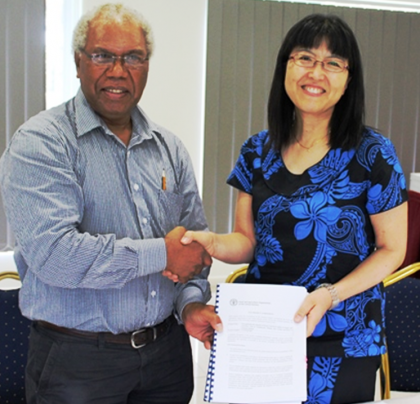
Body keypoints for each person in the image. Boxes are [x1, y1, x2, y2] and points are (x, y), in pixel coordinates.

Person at [181, 13, 408, 404]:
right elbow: (247, 241)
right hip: (266, 332)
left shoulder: (374, 153)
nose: (316, 72)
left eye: (333, 63)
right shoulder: (257, 150)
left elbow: (393, 249)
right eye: (304, 58)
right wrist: (213, 242)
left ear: (348, 79)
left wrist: (331, 295)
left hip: (344, 334)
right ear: (285, 66)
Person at [0, 4, 220, 404]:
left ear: (147, 65)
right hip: (77, 363)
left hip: (166, 358)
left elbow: (194, 252)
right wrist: (161, 254)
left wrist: (190, 305)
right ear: (79, 61)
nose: (118, 70)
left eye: (133, 57)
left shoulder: (169, 148)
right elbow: (55, 255)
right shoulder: (41, 143)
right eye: (103, 55)